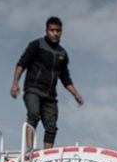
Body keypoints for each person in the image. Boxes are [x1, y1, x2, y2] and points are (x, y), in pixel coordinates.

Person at [10, 16, 84, 150]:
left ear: (61, 32)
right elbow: (22, 64)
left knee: (51, 126)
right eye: (52, 30)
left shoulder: (62, 53)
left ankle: (47, 154)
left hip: (50, 95)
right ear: (47, 30)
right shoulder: (37, 45)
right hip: (33, 89)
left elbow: (65, 78)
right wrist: (15, 83)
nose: (55, 33)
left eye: (58, 30)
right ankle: (31, 150)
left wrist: (76, 95)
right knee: (33, 114)